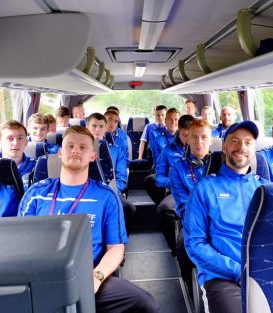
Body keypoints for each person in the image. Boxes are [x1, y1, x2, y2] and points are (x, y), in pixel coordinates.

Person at [19, 126, 158, 313]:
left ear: (93, 156)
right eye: (70, 146)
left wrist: (97, 277)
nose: (76, 150)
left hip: (88, 275)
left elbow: (116, 249)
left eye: (83, 147)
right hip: (40, 278)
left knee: (145, 304)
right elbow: (21, 244)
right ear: (60, 153)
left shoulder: (106, 196)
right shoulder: (36, 194)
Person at [184, 121, 269, 313]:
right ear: (224, 147)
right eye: (235, 141)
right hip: (222, 277)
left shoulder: (267, 190)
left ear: (254, 149)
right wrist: (237, 271)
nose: (241, 147)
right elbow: (195, 244)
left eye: (248, 142)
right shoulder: (204, 188)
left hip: (264, 273)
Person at [169, 119, 214, 295]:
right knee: (182, 246)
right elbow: (182, 205)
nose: (199, 142)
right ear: (187, 140)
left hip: (221, 221)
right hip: (193, 223)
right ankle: (191, 290)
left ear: (211, 140)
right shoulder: (178, 169)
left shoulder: (224, 166)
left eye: (204, 137)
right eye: (194, 137)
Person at [86, 113, 136, 234]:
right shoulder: (81, 149)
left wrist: (110, 191)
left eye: (101, 126)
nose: (97, 130)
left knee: (129, 208)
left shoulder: (116, 150)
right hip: (85, 192)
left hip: (110, 190)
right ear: (87, 127)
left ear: (105, 128)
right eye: (94, 126)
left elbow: (121, 178)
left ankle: (121, 242)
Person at [155, 114, 194, 250]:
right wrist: (176, 182)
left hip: (197, 193)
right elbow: (159, 178)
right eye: (185, 135)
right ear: (179, 132)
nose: (189, 140)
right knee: (163, 210)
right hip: (176, 192)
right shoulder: (168, 150)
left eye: (192, 136)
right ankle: (174, 247)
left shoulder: (203, 152)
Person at [144, 108, 179, 205]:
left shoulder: (185, 139)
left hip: (182, 174)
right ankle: (163, 204)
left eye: (176, 119)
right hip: (165, 172)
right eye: (170, 119)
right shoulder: (158, 140)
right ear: (166, 121)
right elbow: (158, 162)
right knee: (150, 180)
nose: (173, 122)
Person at [0, 120, 36, 190]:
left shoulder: (37, 167)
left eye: (20, 138)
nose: (15, 143)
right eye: (10, 138)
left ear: (26, 142)